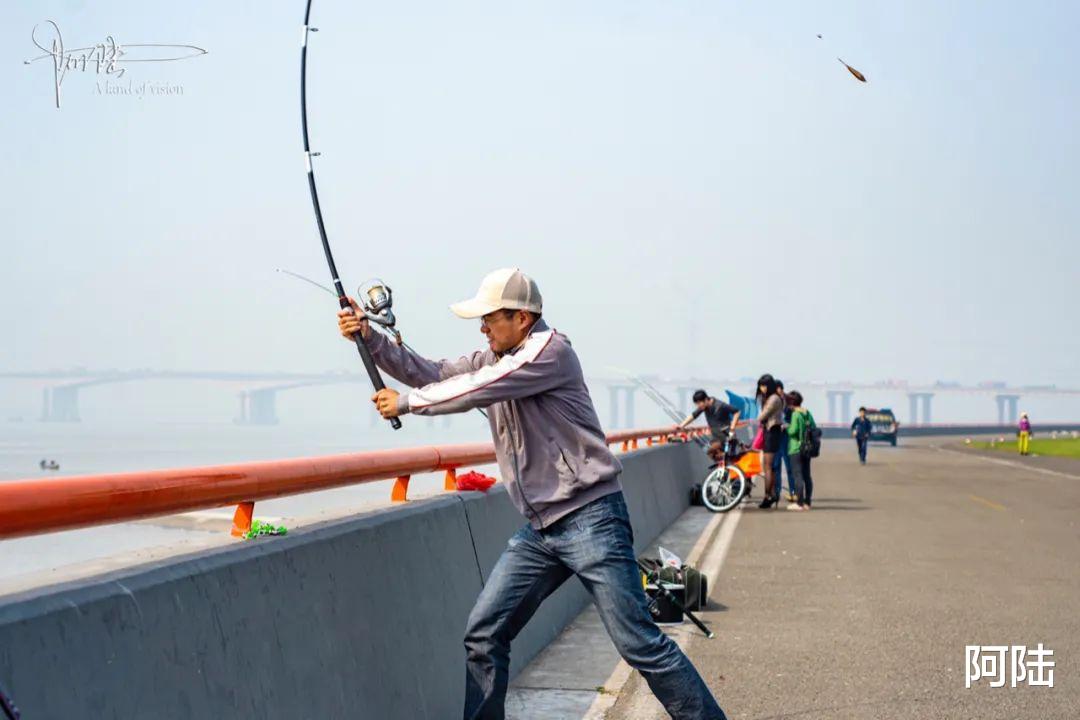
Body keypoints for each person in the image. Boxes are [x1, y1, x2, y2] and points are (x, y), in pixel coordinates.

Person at [337, 268, 726, 720]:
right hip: (541, 530)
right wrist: (370, 338)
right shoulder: (496, 357)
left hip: (591, 518)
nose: (483, 329)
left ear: (522, 318)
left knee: (638, 642)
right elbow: (433, 374)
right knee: (484, 634)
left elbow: (470, 390)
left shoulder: (550, 352)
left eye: (490, 319)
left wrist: (405, 404)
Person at [678, 390, 740, 463]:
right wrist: (681, 425)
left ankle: (727, 462)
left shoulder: (720, 405)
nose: (698, 406)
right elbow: (693, 415)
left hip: (726, 437)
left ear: (706, 400)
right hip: (716, 438)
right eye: (696, 404)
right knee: (714, 455)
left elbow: (737, 412)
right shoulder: (704, 407)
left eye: (699, 403)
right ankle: (725, 466)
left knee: (710, 451)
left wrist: (732, 428)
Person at [755, 374, 784, 509]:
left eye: (764, 385)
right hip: (770, 432)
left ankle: (768, 496)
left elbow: (763, 415)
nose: (762, 389)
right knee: (768, 467)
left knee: (767, 467)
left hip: (772, 432)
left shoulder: (773, 399)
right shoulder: (770, 397)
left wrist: (757, 418)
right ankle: (771, 494)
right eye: (760, 386)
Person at [784, 391, 816, 511]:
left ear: (791, 403)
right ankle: (808, 502)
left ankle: (799, 503)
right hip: (807, 448)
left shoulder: (795, 415)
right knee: (807, 476)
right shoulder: (807, 412)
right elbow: (813, 427)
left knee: (797, 475)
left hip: (796, 448)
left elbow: (793, 431)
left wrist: (786, 427)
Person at [772, 379, 794, 504]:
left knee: (789, 466)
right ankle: (776, 492)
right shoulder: (771, 401)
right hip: (775, 437)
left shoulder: (789, 401)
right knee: (775, 467)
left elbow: (794, 419)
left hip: (786, 438)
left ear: (780, 389)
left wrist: (786, 425)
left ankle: (793, 492)